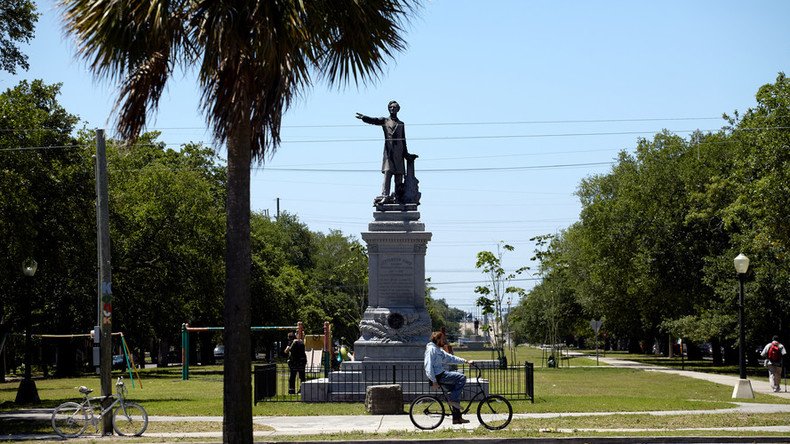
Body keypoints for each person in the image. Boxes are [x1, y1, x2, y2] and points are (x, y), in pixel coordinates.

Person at [355, 100, 416, 203]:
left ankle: (398, 196)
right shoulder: (385, 121)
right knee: (388, 173)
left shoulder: (401, 124)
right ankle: (385, 195)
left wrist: (406, 154)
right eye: (391, 107)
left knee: (399, 176)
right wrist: (364, 118)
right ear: (388, 109)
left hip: (399, 153)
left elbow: (403, 139)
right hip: (389, 152)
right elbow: (374, 120)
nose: (393, 109)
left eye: (395, 107)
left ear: (398, 109)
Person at [424, 330, 474, 424]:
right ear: (438, 339)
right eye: (443, 339)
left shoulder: (438, 349)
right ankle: (452, 399)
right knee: (461, 377)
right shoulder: (431, 350)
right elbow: (428, 366)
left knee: (456, 394)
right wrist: (433, 381)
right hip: (439, 376)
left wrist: (466, 361)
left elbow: (450, 358)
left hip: (441, 374)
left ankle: (457, 418)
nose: (444, 341)